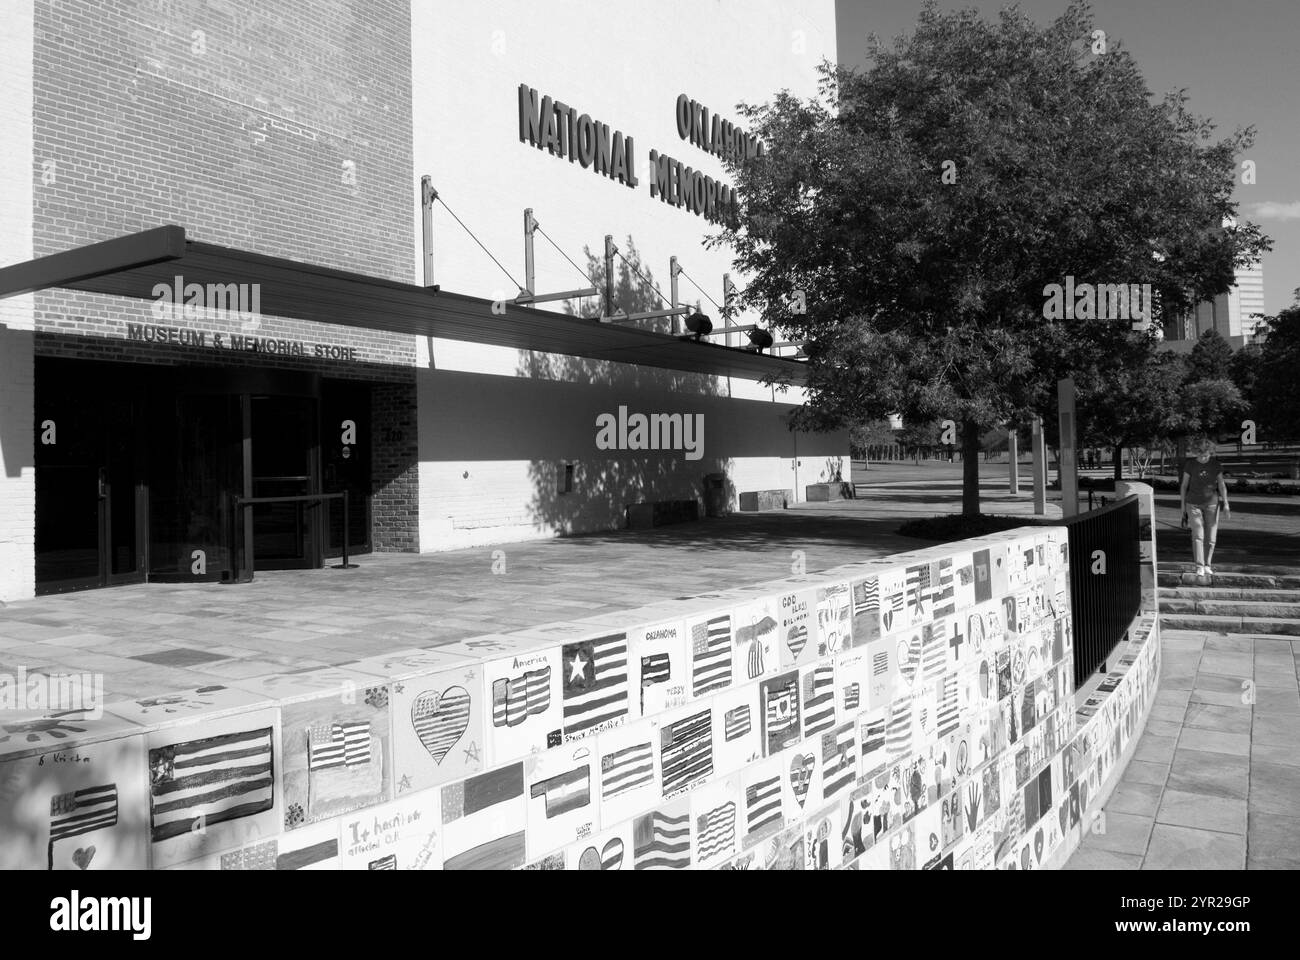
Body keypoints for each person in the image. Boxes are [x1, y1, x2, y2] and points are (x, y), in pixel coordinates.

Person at [1180, 437, 1231, 579]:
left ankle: (1207, 565)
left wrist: (1226, 503)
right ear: (1196, 452)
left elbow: (1221, 485)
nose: (1203, 458)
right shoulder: (1190, 465)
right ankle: (1199, 566)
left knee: (1211, 537)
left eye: (1206, 455)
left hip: (1212, 504)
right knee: (1198, 535)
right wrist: (1182, 507)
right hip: (1193, 503)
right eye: (1201, 455)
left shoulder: (1216, 465)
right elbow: (1184, 486)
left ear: (1210, 453)